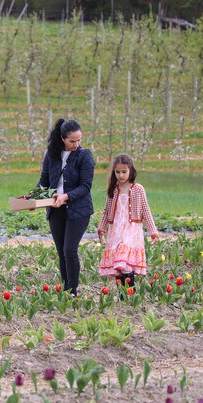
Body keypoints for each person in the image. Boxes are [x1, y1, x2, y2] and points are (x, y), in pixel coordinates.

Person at [37, 119, 95, 297]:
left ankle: (73, 290)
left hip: (78, 210)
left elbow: (85, 186)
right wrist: (32, 200)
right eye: (72, 141)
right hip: (56, 210)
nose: (76, 144)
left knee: (70, 250)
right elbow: (44, 182)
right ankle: (66, 289)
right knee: (61, 251)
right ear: (62, 138)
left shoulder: (84, 156)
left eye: (79, 140)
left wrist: (66, 196)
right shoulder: (52, 155)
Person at [97, 154, 159, 294]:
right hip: (116, 230)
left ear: (131, 170)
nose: (121, 175)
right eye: (117, 172)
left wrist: (153, 232)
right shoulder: (113, 190)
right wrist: (101, 227)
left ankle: (131, 293)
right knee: (118, 266)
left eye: (124, 171)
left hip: (131, 230)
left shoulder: (138, 189)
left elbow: (146, 211)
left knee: (124, 262)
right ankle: (123, 296)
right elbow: (106, 211)